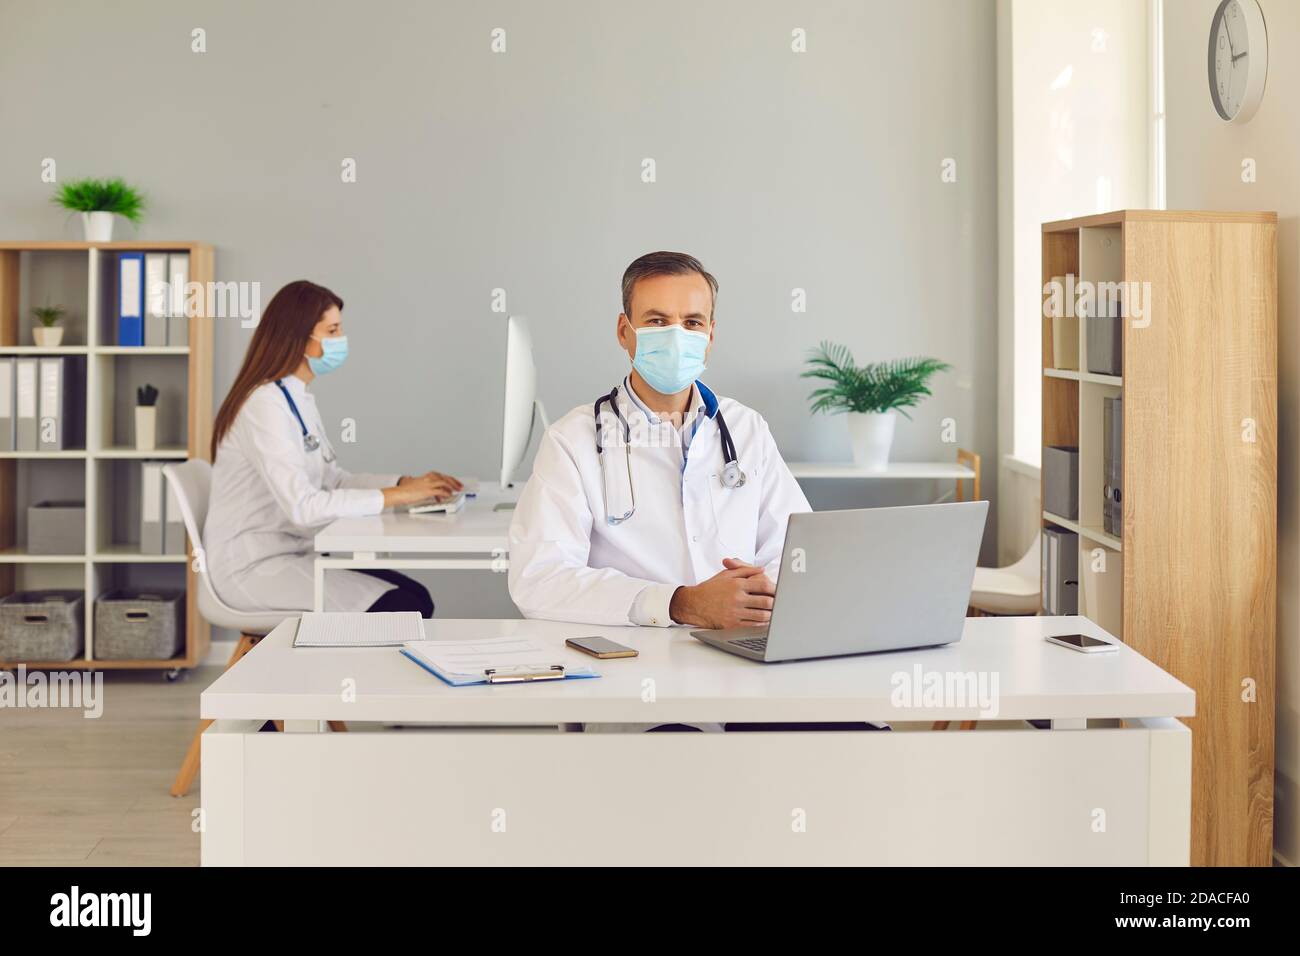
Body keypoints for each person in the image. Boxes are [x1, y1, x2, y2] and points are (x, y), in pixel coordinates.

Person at [508, 251, 811, 630]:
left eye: (692, 322)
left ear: (710, 335)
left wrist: (758, 600)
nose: (676, 336)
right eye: (657, 321)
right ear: (624, 331)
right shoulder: (573, 440)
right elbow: (540, 579)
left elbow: (795, 551)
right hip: (628, 657)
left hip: (740, 647)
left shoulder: (746, 429)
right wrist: (679, 603)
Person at [204, 279, 461, 616]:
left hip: (294, 552)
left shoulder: (295, 397)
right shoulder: (264, 405)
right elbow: (303, 507)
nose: (341, 341)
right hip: (253, 566)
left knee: (416, 596)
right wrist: (395, 498)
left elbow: (332, 480)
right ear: (300, 338)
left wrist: (403, 484)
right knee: (402, 608)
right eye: (333, 331)